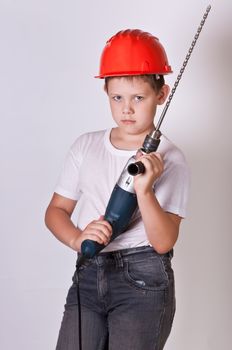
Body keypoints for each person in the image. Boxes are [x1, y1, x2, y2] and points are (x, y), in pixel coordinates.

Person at [45, 29, 190, 350]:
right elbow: (56, 211)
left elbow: (164, 240)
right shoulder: (86, 146)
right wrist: (76, 237)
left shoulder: (170, 158)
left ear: (161, 94)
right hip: (88, 273)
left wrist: (145, 190)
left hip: (143, 279)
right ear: (106, 92)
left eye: (138, 98)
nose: (127, 109)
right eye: (117, 98)